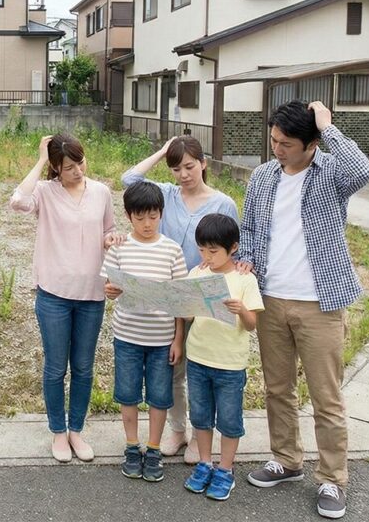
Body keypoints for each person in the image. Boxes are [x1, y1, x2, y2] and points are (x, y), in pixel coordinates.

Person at [239, 101, 369, 519]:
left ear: (311, 144)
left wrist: (328, 125)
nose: (277, 148)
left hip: (319, 301)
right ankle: (287, 459)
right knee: (278, 388)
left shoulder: (332, 172)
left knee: (325, 396)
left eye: (287, 143)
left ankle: (333, 478)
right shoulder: (262, 176)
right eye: (274, 139)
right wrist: (244, 259)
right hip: (271, 298)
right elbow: (250, 229)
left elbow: (364, 170)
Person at [121, 135, 238, 464]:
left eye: (189, 166)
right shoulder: (167, 195)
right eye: (176, 168)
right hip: (168, 296)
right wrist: (162, 150)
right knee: (172, 369)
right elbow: (129, 180)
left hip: (205, 294)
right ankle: (177, 429)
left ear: (203, 163)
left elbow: (232, 247)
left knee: (204, 368)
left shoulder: (223, 203)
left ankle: (203, 439)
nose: (183, 174)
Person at [10, 133, 116, 463]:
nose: (77, 171)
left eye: (80, 162)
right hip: (54, 294)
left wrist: (113, 243)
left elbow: (108, 232)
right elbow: (17, 201)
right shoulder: (44, 192)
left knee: (83, 368)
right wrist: (41, 158)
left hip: (92, 295)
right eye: (68, 167)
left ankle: (76, 431)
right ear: (56, 169)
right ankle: (58, 431)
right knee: (56, 367)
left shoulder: (101, 192)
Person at [102, 181, 187, 482]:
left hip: (162, 339)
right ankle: (131, 445)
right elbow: (108, 285)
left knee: (159, 396)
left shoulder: (171, 250)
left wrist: (178, 338)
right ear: (129, 216)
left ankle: (153, 449)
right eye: (140, 218)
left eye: (153, 216)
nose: (147, 223)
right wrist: (111, 290)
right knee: (127, 393)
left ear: (161, 214)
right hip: (127, 336)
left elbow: (179, 298)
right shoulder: (120, 247)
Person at [181, 213, 264, 501]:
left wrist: (241, 310)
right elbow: (187, 314)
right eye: (202, 249)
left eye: (213, 250)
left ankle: (225, 469)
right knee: (201, 417)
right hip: (198, 357)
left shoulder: (244, 279)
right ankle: (205, 464)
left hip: (229, 363)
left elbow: (253, 324)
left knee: (229, 420)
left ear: (233, 248)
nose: (207, 256)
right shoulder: (197, 273)